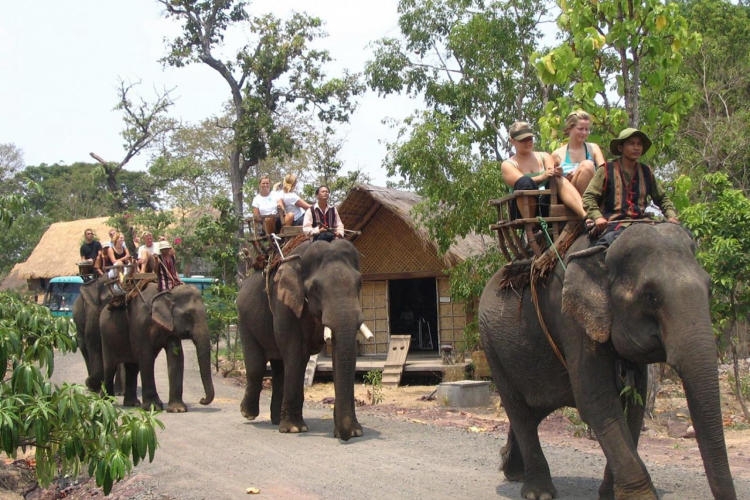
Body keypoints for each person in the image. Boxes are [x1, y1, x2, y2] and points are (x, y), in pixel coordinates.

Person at [583, 127, 679, 245]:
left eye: (639, 144)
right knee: (606, 245)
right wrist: (597, 217)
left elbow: (662, 198)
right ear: (620, 147)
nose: (636, 147)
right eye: (631, 143)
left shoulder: (646, 171)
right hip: (613, 224)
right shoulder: (606, 170)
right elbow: (589, 197)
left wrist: (671, 216)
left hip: (643, 223)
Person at [501, 121, 587, 219]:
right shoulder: (508, 164)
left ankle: (585, 215)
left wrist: (558, 172)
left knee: (557, 179)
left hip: (547, 204)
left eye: (530, 138)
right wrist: (542, 177)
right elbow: (521, 182)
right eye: (523, 140)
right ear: (512, 141)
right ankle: (530, 224)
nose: (528, 142)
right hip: (523, 210)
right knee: (524, 182)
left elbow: (551, 173)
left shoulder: (544, 156)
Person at [550, 110, 606, 195]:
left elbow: (604, 173)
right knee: (587, 165)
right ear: (569, 128)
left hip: (592, 193)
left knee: (587, 166)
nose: (584, 133)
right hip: (569, 195)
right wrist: (565, 178)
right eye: (580, 129)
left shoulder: (593, 148)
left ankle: (587, 202)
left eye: (587, 129)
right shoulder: (557, 154)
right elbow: (551, 181)